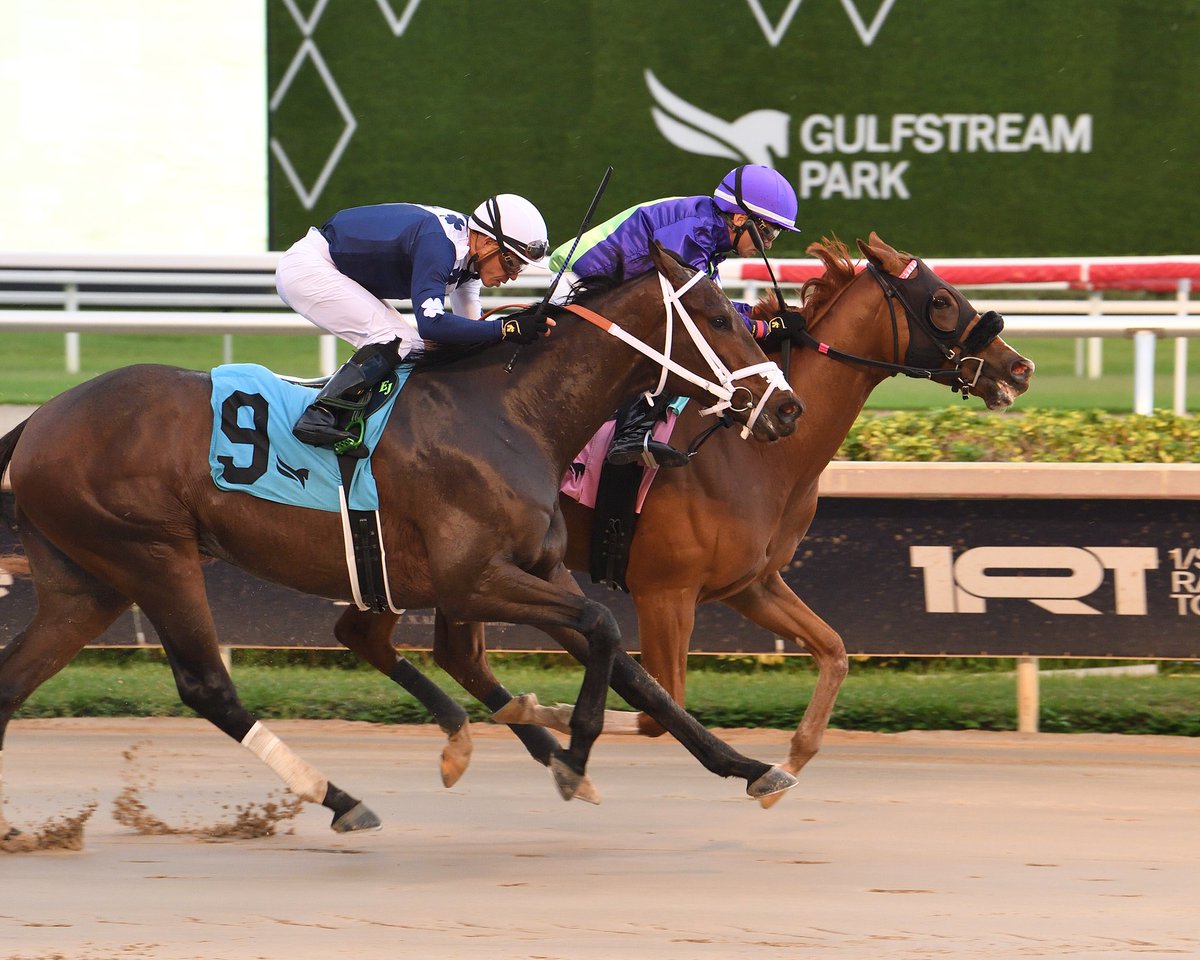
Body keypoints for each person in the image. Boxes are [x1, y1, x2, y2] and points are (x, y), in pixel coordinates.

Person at [548, 164, 805, 468]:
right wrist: (766, 327)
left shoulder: (708, 234)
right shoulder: (694, 233)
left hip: (608, 287)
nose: (770, 243)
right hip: (580, 285)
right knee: (682, 347)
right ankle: (628, 435)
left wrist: (758, 318)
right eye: (769, 232)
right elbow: (698, 317)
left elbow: (718, 307)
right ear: (740, 219)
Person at [276, 194, 551, 450]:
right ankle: (319, 415)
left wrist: (511, 330)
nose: (513, 275)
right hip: (309, 268)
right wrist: (506, 328)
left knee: (415, 346)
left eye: (520, 267)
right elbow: (431, 324)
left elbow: (473, 332)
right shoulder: (440, 245)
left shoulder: (470, 257)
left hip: (330, 267)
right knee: (396, 339)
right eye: (511, 262)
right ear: (488, 242)